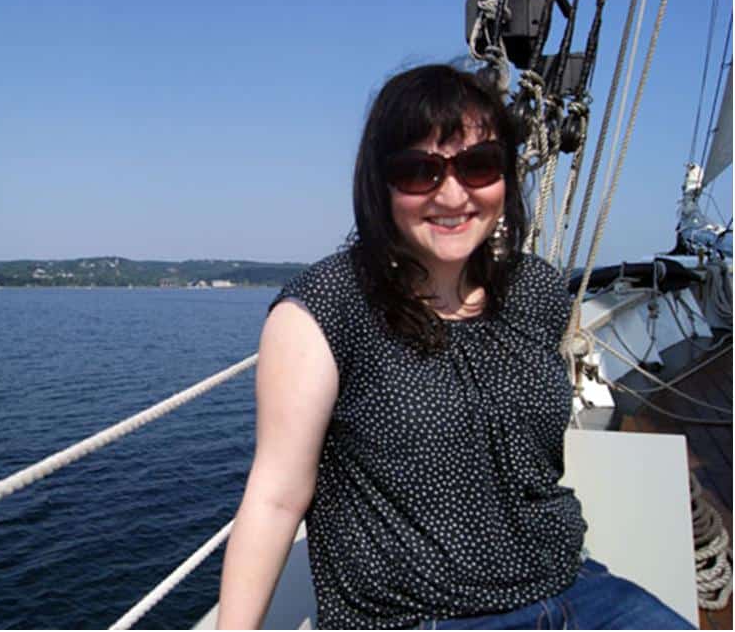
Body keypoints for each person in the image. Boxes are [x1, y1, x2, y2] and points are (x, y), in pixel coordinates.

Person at [216, 64, 694, 629]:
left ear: (505, 177)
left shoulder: (535, 289)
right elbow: (275, 498)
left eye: (478, 165)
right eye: (420, 171)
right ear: (380, 185)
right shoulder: (326, 308)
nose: (453, 193)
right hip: (423, 616)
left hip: (575, 588)